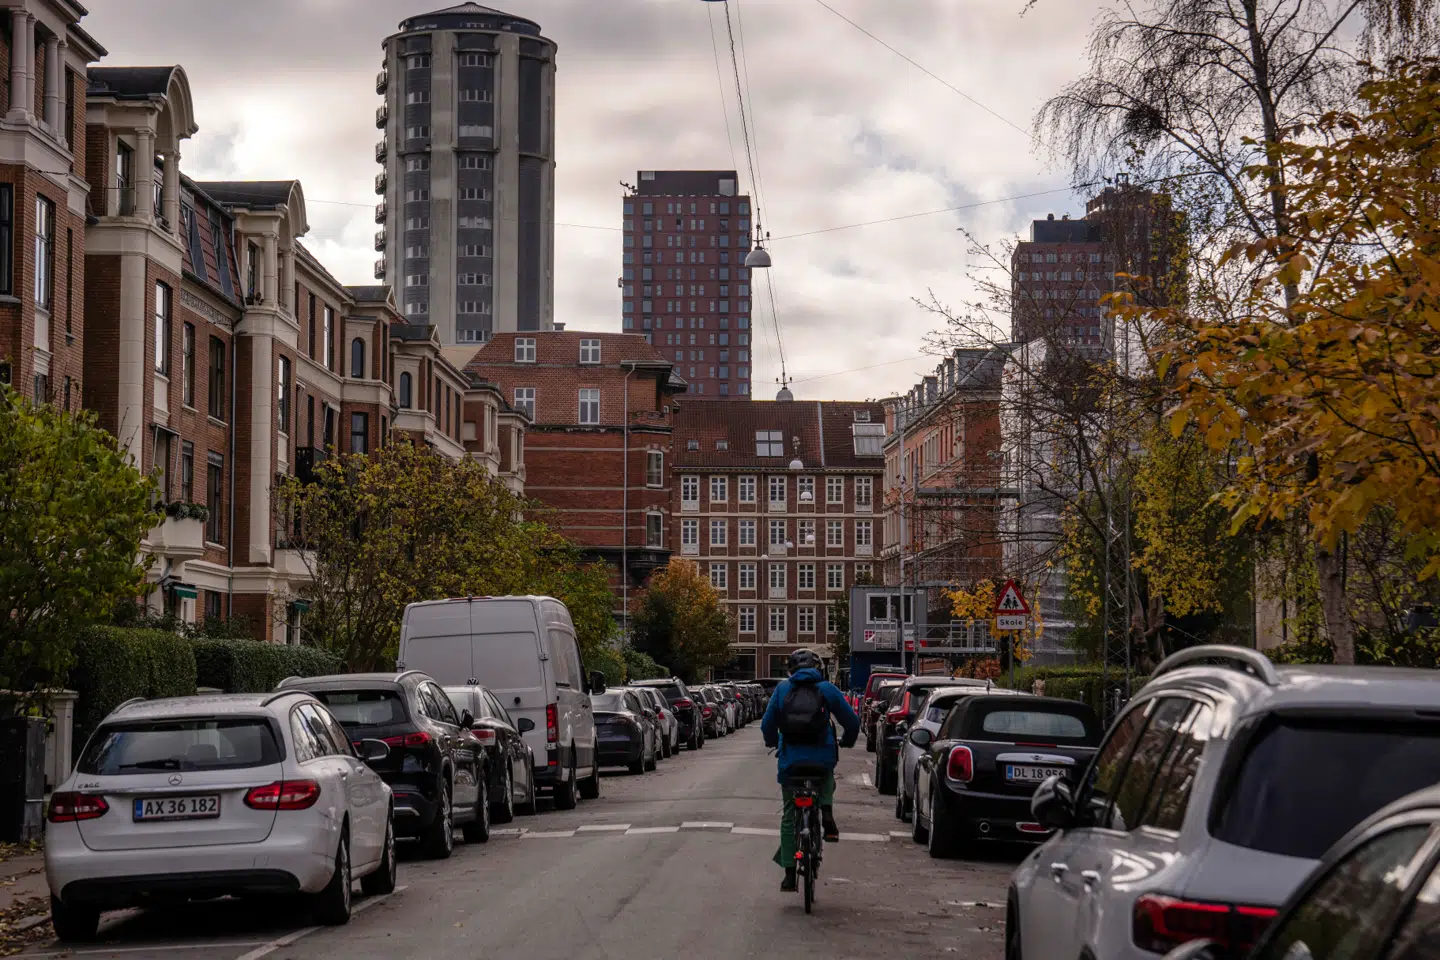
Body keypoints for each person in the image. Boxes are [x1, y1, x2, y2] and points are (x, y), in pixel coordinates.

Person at [760, 650, 860, 892]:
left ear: (791, 670)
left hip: (791, 762)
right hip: (821, 758)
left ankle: (789, 873)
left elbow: (767, 725)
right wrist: (847, 740)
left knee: (788, 814)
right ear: (819, 668)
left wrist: (772, 740)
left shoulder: (783, 690)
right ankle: (825, 810)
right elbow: (852, 722)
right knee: (826, 775)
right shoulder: (827, 690)